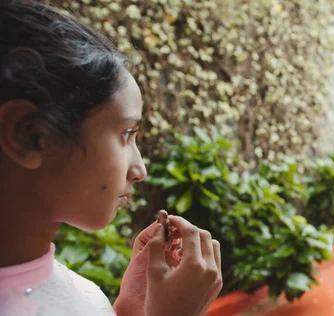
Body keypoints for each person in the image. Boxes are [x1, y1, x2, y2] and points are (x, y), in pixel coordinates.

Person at [0, 0, 222, 315]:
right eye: (126, 134)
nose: (140, 170)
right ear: (31, 136)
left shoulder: (48, 277)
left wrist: (130, 306)